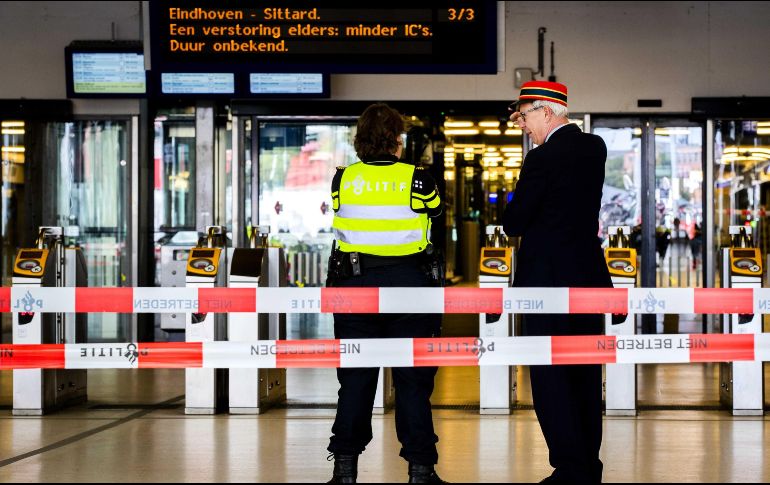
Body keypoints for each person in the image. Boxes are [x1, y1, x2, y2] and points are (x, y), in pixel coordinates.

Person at [325, 103, 445, 484]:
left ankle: (345, 470)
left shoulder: (342, 179)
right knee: (412, 381)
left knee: (356, 380)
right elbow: (436, 214)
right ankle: (420, 471)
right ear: (398, 140)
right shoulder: (419, 179)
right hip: (410, 287)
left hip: (354, 286)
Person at [502, 81, 612, 483]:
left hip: (545, 284)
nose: (523, 126)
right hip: (586, 278)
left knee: (550, 376)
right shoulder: (594, 147)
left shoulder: (542, 158)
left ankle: (569, 468)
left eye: (526, 116)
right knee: (584, 373)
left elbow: (514, 222)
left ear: (547, 111)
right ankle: (588, 466)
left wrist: (514, 199)